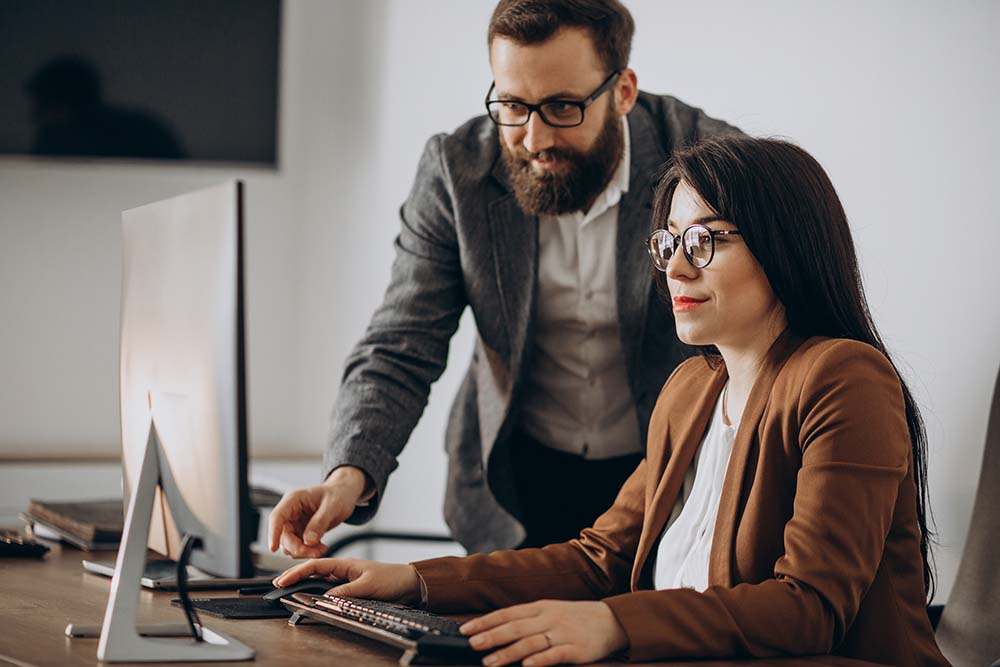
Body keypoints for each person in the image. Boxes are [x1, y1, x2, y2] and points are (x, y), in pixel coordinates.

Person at [270, 136, 951, 667]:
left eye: (703, 241)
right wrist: (413, 581)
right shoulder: (691, 390)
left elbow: (811, 609)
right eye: (669, 242)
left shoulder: (844, 378)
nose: (675, 267)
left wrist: (614, 623)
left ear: (784, 245)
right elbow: (600, 560)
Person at [269, 0, 740, 558]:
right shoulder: (457, 172)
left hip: (669, 476)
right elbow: (402, 342)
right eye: (513, 106)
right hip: (514, 487)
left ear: (622, 92)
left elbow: (770, 332)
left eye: (562, 107)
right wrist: (347, 476)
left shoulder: (708, 163)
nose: (534, 139)